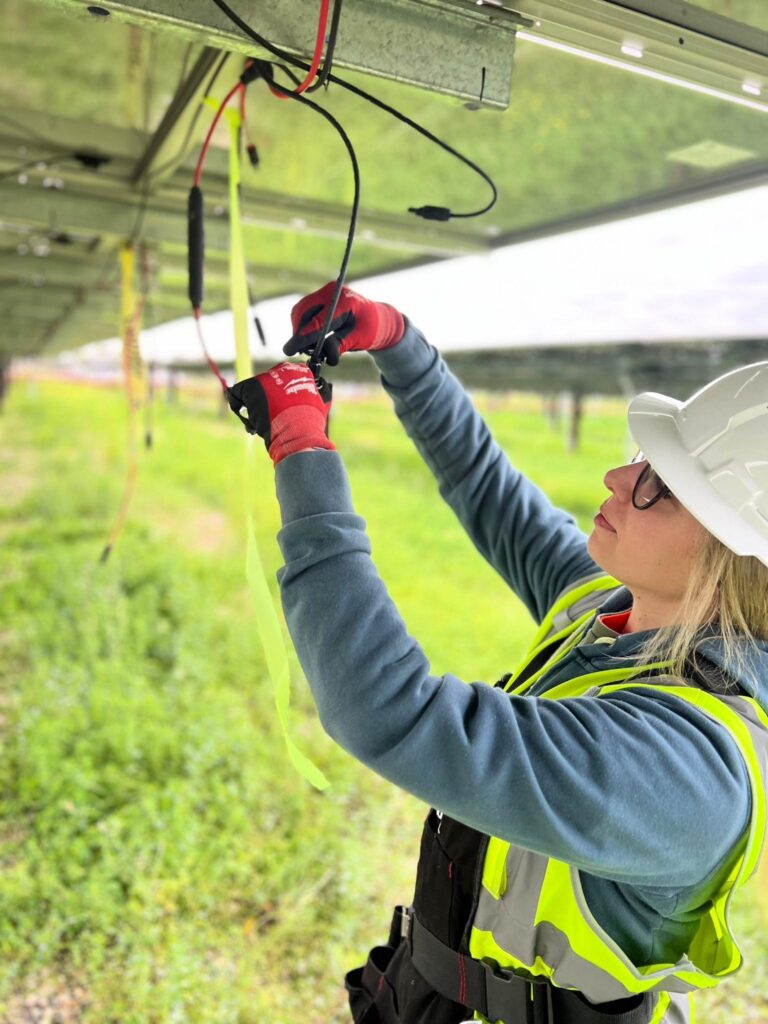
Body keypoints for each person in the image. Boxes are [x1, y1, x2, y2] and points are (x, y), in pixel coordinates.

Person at [226, 282, 768, 1024]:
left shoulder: (687, 773)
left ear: (733, 561)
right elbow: (487, 488)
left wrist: (302, 453)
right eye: (642, 459)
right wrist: (399, 345)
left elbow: (387, 710)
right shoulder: (613, 611)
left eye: (659, 486)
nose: (618, 479)